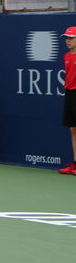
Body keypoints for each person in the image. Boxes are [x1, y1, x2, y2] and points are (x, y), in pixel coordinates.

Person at [58, 27, 76, 175]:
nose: (68, 41)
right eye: (66, 38)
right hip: (69, 94)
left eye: (71, 38)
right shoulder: (66, 56)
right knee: (73, 130)